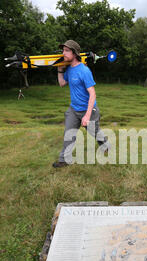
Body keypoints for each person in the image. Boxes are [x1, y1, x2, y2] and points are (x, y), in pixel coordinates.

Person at [52, 40, 109, 168]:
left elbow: (92, 94)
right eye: (63, 50)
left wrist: (87, 115)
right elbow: (62, 83)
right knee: (69, 134)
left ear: (75, 53)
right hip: (74, 109)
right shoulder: (69, 69)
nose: (63, 53)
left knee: (95, 132)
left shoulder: (84, 71)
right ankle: (64, 160)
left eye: (67, 51)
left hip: (88, 110)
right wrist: (60, 70)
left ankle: (105, 146)